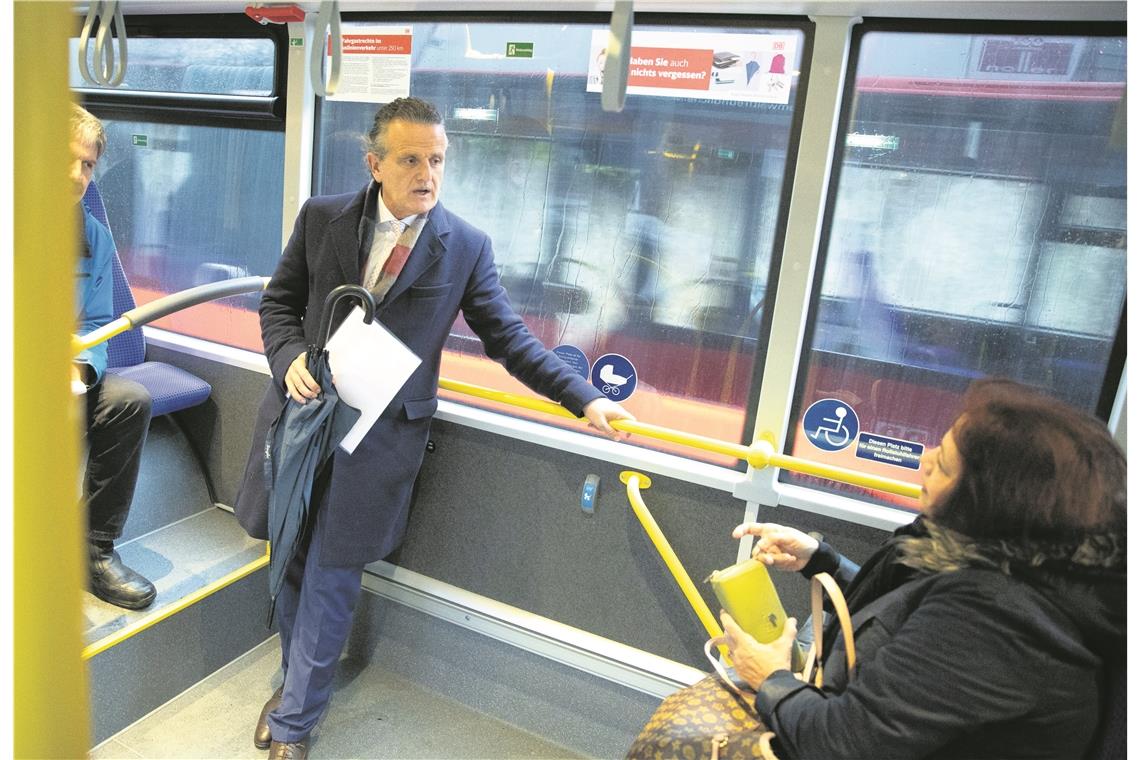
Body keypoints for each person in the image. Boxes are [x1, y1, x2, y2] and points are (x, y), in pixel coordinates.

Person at [234, 97, 633, 759]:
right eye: (412, 159)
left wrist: (584, 398)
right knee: (293, 556)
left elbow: (509, 339)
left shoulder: (464, 247)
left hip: (378, 437)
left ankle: (295, 723)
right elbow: (279, 303)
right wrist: (288, 361)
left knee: (334, 572)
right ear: (376, 163)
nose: (428, 173)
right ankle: (290, 683)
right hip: (305, 419)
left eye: (438, 159)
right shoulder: (323, 217)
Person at [720, 378, 1125, 760]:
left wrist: (771, 677)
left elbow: (841, 742)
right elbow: (909, 616)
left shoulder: (997, 620)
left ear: (988, 506)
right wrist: (822, 561)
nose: (925, 460)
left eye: (946, 465)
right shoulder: (1010, 565)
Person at [70, 104, 157, 611]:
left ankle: (92, 549)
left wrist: (82, 369)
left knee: (128, 401)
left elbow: (96, 324)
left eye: (87, 165)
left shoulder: (92, 237)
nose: (76, 176)